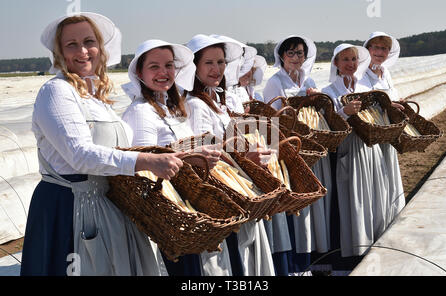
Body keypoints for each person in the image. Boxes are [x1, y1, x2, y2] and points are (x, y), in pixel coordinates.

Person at [20, 12, 185, 276]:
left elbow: (124, 150)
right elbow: (80, 155)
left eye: (89, 42)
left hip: (106, 205)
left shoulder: (96, 98)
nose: (83, 51)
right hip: (71, 208)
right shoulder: (56, 91)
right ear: (59, 52)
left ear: (101, 48)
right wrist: (145, 162)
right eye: (71, 44)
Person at [121, 39, 222, 275]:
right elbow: (146, 163)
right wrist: (192, 157)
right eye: (154, 67)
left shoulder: (173, 108)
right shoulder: (141, 112)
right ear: (139, 72)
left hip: (185, 205)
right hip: (166, 212)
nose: (163, 73)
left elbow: (175, 148)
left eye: (168, 65)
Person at [185, 34, 275, 276]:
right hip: (221, 191)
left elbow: (227, 144)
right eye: (209, 63)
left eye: (221, 62)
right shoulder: (195, 104)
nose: (217, 69)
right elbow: (204, 155)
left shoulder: (216, 100)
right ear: (193, 67)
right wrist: (246, 159)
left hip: (236, 185)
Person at [262, 35, 330, 275]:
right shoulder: (275, 82)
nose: (295, 58)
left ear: (305, 56)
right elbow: (272, 119)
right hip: (290, 149)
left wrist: (315, 97)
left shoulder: (308, 78)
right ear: (281, 56)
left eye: (299, 53)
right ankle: (297, 263)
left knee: (312, 203)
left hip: (309, 145)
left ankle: (313, 257)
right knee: (297, 202)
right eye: (290, 53)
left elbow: (317, 111)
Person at [321, 44, 389, 275]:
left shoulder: (365, 87)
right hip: (347, 151)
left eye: (353, 59)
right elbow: (327, 126)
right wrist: (344, 113)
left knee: (371, 198)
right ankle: (350, 254)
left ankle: (373, 246)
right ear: (336, 64)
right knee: (352, 200)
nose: (350, 63)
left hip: (368, 149)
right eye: (345, 59)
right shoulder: (329, 91)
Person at [363, 31, 406, 225]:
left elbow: (390, 97)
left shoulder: (385, 73)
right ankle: (379, 220)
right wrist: (388, 105)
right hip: (372, 132)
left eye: (384, 48)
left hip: (388, 131)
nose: (380, 52)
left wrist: (398, 103)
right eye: (376, 47)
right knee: (377, 177)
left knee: (389, 174)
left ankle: (392, 215)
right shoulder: (362, 73)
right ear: (368, 49)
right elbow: (363, 104)